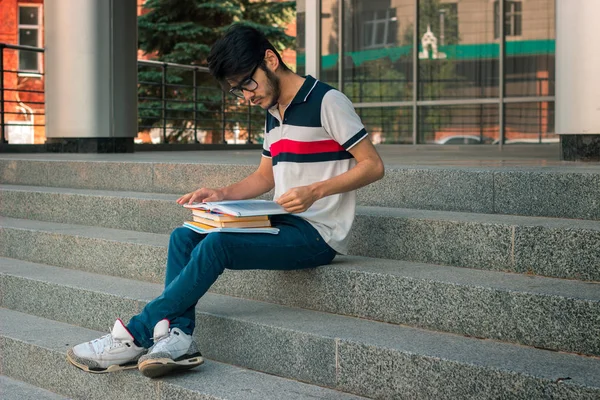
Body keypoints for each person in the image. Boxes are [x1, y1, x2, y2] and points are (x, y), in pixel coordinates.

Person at [67, 24, 384, 379]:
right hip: (282, 221)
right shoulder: (274, 112)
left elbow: (373, 165)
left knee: (217, 245)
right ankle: (179, 336)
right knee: (183, 237)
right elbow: (265, 177)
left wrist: (316, 191)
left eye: (247, 83)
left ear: (270, 59)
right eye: (237, 90)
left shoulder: (328, 102)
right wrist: (219, 195)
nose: (246, 96)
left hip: (318, 234)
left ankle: (135, 335)